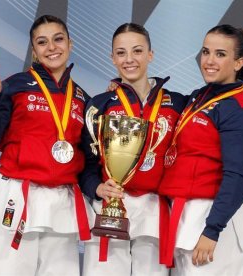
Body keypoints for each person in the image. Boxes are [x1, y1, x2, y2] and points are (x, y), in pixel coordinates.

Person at [0, 15, 94, 276]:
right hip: (17, 196)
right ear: (34, 51)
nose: (52, 47)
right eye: (42, 42)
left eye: (58, 39)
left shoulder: (83, 99)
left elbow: (87, 157)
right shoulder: (14, 86)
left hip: (62, 201)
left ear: (70, 44)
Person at [80, 23, 187, 276]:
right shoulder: (99, 106)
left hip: (154, 213)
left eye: (137, 51)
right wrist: (95, 187)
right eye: (121, 53)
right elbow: (85, 162)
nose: (129, 59)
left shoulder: (177, 104)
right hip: (109, 209)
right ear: (112, 58)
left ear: (150, 54)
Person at [158, 24, 243, 275]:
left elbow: (238, 176)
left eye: (220, 54)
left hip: (214, 223)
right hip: (187, 217)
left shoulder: (241, 112)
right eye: (206, 52)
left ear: (239, 62)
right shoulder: (200, 96)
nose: (209, 60)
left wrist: (212, 230)